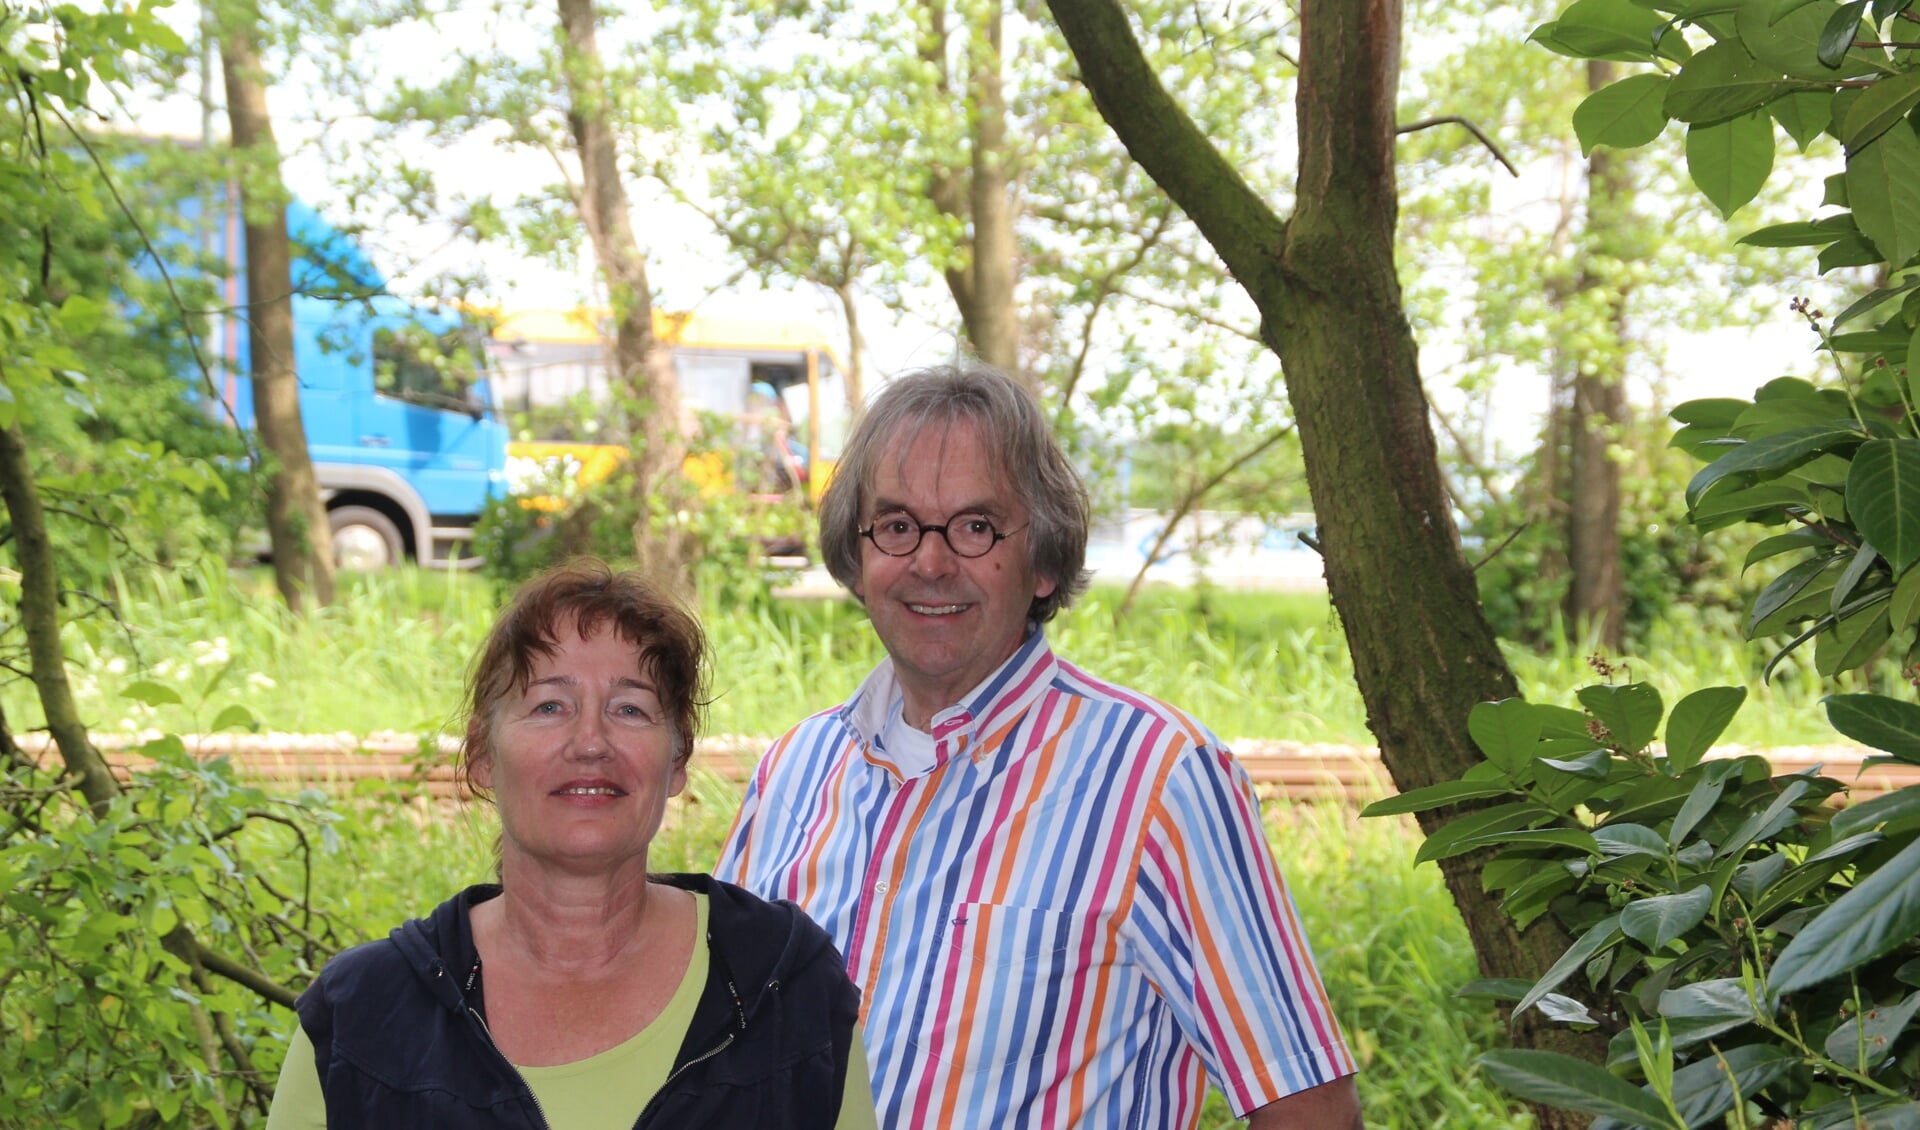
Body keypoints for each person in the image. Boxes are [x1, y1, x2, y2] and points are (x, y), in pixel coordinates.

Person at [715, 365, 1362, 1129]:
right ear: (857, 556)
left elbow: (1309, 1109)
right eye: (896, 525)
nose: (930, 560)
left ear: (1046, 561)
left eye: (975, 526)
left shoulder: (1159, 780)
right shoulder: (793, 771)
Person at [268, 561, 877, 1129]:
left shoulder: (786, 989)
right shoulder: (360, 1018)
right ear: (483, 754)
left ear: (677, 760)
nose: (591, 741)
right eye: (550, 705)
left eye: (631, 709)